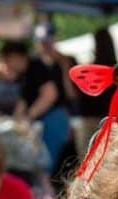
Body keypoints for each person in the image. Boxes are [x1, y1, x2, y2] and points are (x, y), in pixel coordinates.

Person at [31, 23, 75, 175]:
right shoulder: (33, 63)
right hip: (36, 118)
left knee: (52, 163)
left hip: (58, 118)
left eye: (48, 41)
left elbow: (72, 94)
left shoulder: (66, 61)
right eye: (42, 41)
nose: (45, 45)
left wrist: (65, 69)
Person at [74, 28, 116, 158]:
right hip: (109, 120)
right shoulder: (117, 71)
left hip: (89, 118)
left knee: (86, 159)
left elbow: (77, 94)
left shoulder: (90, 70)